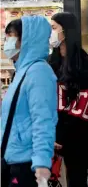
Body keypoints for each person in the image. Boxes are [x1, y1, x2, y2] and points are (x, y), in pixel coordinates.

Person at [1, 16, 58, 186]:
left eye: (11, 37)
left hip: (28, 163)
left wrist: (41, 163)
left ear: (26, 39)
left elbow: (43, 120)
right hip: (13, 157)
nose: (7, 42)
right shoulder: (22, 71)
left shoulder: (38, 72)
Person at [48, 12, 88, 187]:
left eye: (54, 28)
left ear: (66, 31)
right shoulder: (52, 61)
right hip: (52, 136)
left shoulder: (84, 63)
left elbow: (82, 106)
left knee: (76, 180)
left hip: (77, 137)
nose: (50, 33)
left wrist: (60, 136)